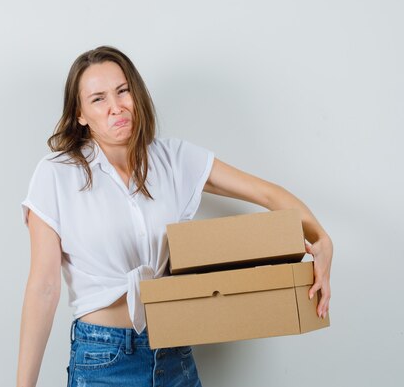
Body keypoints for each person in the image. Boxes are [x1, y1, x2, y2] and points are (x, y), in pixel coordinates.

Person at [16, 45, 333, 387]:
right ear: (80, 114)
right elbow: (44, 288)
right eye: (98, 99)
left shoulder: (174, 159)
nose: (115, 107)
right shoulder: (56, 174)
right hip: (103, 359)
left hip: (174, 354)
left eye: (122, 91)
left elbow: (267, 194)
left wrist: (321, 239)